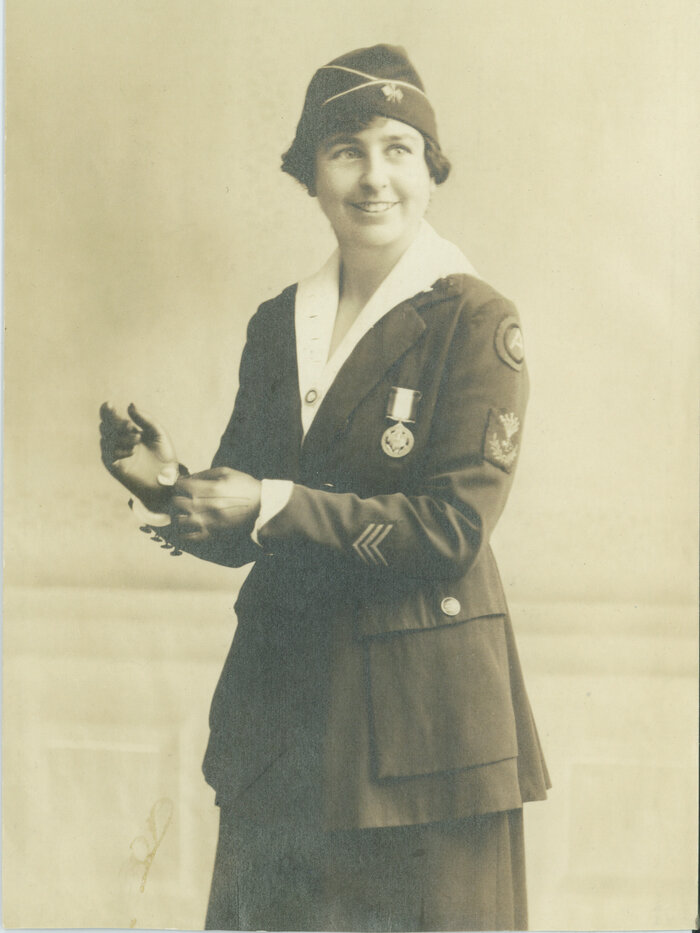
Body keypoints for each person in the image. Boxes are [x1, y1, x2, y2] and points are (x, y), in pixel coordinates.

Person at [99, 43, 549, 932]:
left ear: (431, 168)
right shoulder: (279, 323)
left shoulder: (477, 319)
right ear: (310, 172)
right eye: (346, 151)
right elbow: (247, 511)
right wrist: (168, 486)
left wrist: (266, 503)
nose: (373, 177)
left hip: (424, 735)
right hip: (289, 716)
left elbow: (452, 528)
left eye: (397, 149)